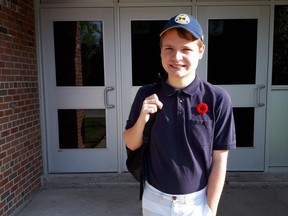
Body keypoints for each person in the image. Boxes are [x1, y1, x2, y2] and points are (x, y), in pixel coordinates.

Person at [123, 13, 236, 216]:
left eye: (186, 49)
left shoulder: (217, 98)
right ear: (160, 52)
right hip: (154, 199)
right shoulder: (146, 94)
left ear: (200, 50)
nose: (177, 58)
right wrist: (142, 118)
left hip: (197, 202)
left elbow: (219, 159)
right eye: (169, 49)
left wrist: (211, 209)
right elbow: (131, 143)